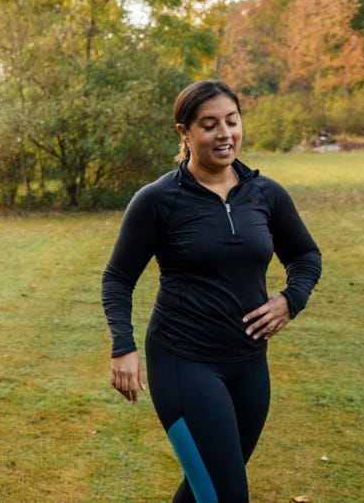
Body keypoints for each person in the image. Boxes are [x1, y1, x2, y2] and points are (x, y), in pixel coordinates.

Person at [101, 79, 322, 503]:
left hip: (249, 367)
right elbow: (118, 277)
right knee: (224, 495)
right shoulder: (158, 200)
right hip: (183, 363)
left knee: (207, 488)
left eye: (232, 121)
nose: (225, 134)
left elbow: (306, 255)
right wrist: (122, 347)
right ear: (184, 132)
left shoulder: (265, 194)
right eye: (209, 125)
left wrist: (290, 300)